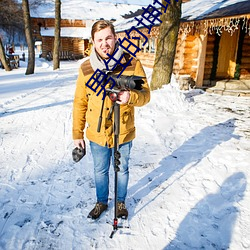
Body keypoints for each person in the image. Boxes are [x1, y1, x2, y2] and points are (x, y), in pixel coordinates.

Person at [72, 20, 150, 220]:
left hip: (123, 130)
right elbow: (80, 102)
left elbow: (145, 95)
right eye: (100, 39)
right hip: (97, 133)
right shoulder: (86, 68)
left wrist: (130, 97)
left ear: (115, 38)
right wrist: (77, 134)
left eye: (108, 38)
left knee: (122, 168)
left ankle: (121, 202)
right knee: (100, 170)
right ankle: (101, 202)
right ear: (93, 42)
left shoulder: (132, 63)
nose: (104, 43)